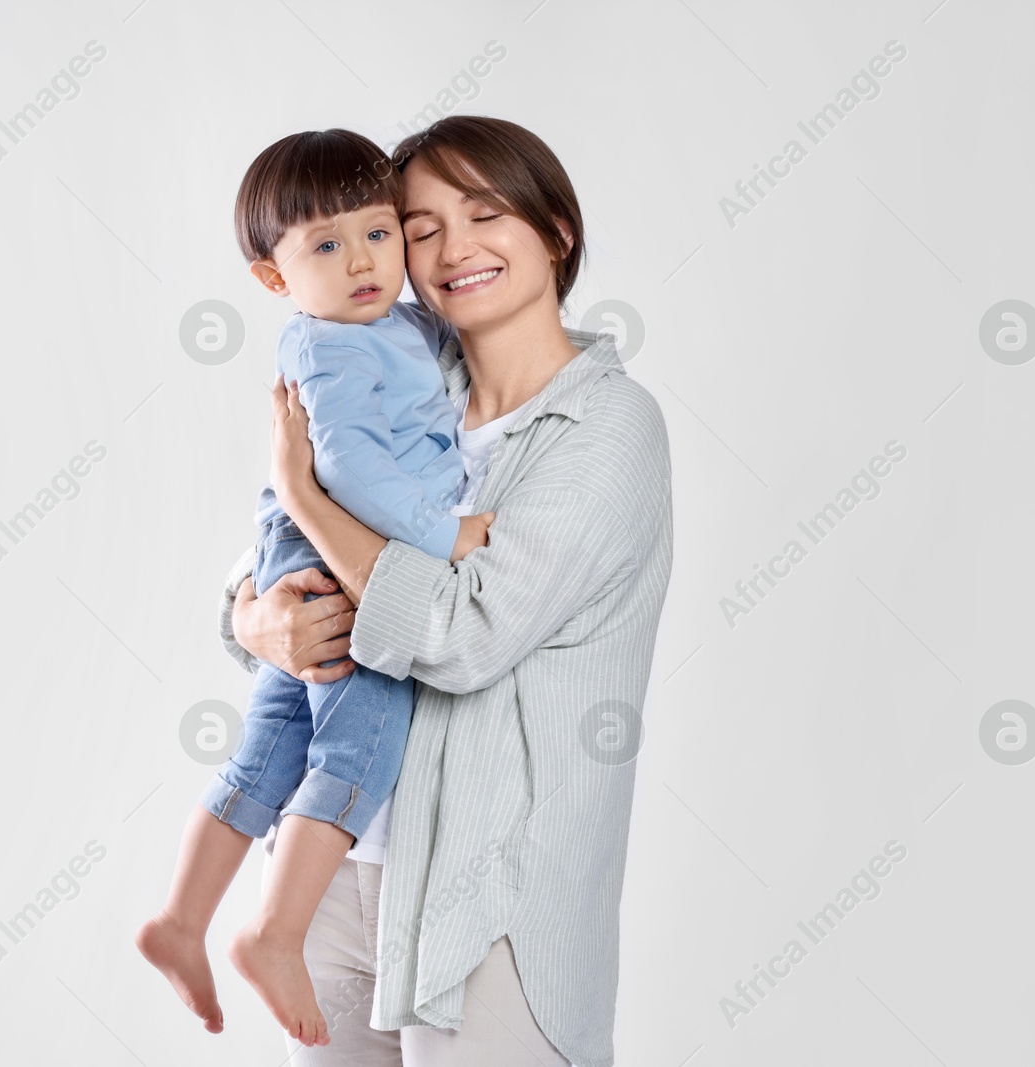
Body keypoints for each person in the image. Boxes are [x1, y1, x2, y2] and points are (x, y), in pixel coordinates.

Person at [219, 115, 674, 1066]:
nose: (453, 248)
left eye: (486, 213)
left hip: (491, 900)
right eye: (420, 226)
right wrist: (250, 619)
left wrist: (310, 489)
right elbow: (278, 559)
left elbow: (461, 637)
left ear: (556, 231)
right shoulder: (401, 376)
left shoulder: (605, 431)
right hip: (343, 866)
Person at [135, 128, 496, 1049]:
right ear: (273, 277)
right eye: (326, 247)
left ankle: (181, 918)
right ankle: (276, 930)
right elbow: (351, 471)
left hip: (295, 546)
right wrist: (445, 531)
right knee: (362, 737)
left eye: (380, 234)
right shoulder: (330, 344)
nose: (365, 262)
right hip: (337, 544)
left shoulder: (395, 326)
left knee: (274, 741)